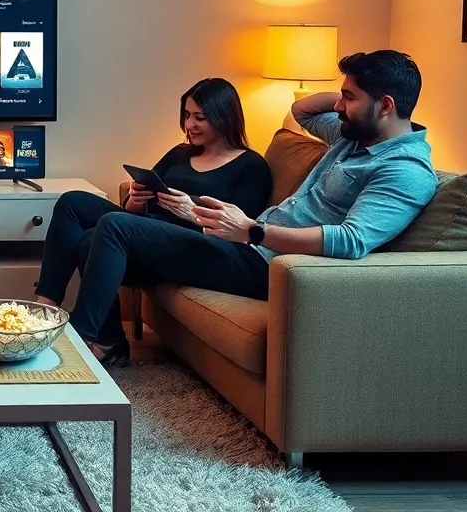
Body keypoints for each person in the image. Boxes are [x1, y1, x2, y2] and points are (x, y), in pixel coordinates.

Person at [68, 52, 437, 363]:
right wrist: (354, 88)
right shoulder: (354, 135)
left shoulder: (404, 171)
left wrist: (252, 230)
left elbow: (351, 240)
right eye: (341, 96)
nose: (338, 106)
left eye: (349, 98)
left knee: (116, 225)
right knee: (89, 239)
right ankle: (109, 345)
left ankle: (76, 352)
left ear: (385, 105)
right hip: (247, 246)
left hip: (269, 265)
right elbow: (302, 110)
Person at [36, 78, 272, 362]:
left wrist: (191, 212)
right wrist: (134, 201)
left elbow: (238, 233)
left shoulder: (251, 167)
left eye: (200, 117)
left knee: (96, 236)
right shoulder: (180, 153)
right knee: (73, 201)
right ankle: (46, 313)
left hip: (195, 249)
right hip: (145, 236)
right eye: (186, 115)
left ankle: (79, 342)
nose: (190, 125)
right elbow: (141, 200)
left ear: (224, 117)